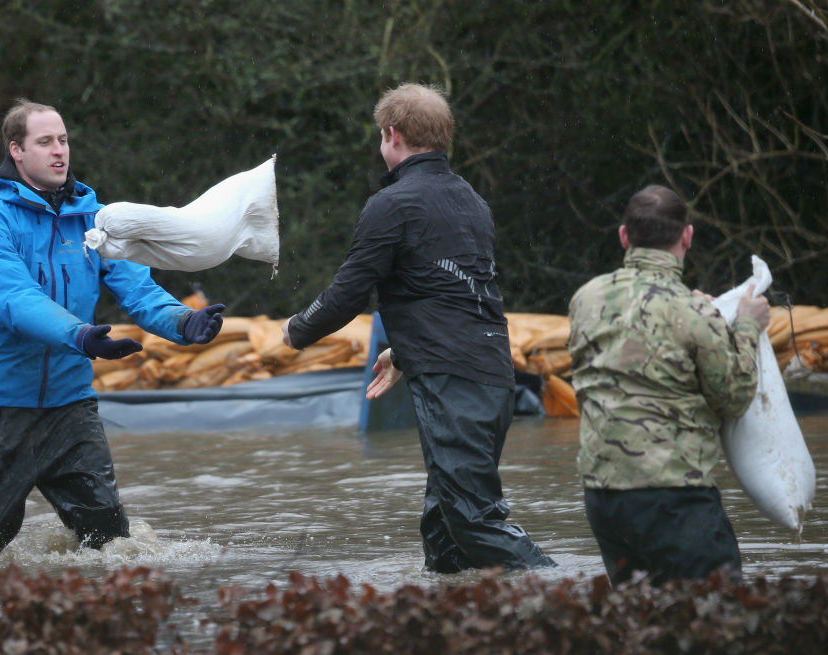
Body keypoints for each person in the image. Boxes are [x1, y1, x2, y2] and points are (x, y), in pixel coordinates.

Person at [0, 99, 225, 562]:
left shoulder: (96, 220)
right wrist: (81, 335)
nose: (58, 151)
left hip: (71, 408)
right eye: (44, 141)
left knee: (112, 544)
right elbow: (15, 301)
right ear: (17, 151)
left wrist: (184, 321)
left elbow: (138, 289)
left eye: (63, 140)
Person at [281, 83, 555, 573]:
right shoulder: (472, 200)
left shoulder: (392, 205)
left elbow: (348, 293)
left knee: (473, 519)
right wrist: (404, 353)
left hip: (455, 383)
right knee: (444, 526)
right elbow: (455, 291)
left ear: (392, 135)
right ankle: (449, 619)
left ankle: (573, 596)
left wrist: (296, 331)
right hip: (490, 375)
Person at [567, 184, 771, 586]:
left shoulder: (585, 299)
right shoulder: (692, 311)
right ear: (687, 236)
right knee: (720, 621)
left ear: (624, 236)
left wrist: (705, 317)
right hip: (673, 495)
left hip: (602, 496)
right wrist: (745, 326)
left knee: (641, 627)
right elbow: (734, 397)